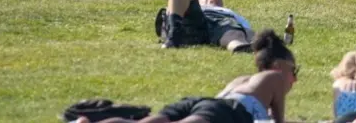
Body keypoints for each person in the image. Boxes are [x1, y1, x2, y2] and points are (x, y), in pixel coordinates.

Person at [84, 29, 298, 123]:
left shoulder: (244, 81)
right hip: (227, 113)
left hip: (207, 104)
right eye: (293, 71)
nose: (294, 79)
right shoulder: (275, 78)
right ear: (278, 65)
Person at [155, 0, 254, 53]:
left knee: (233, 32)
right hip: (192, 20)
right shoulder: (181, 4)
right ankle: (174, 35)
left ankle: (240, 46)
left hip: (222, 23)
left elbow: (247, 31)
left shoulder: (230, 14)